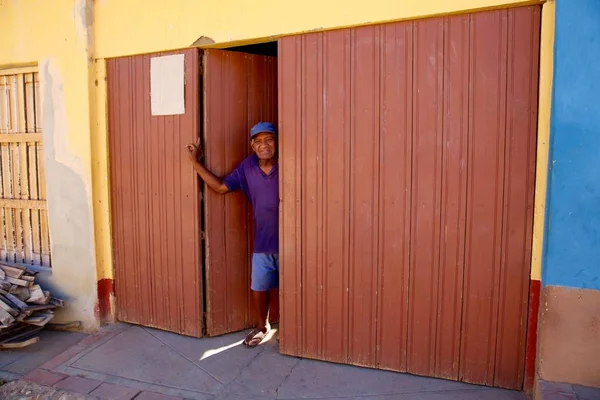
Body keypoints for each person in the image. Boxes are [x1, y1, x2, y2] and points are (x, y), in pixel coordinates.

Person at [185, 122, 279, 347]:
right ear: (252, 146)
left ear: (276, 142)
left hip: (294, 241)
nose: (263, 144)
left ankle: (295, 329)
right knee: (259, 285)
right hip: (264, 240)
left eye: (269, 139)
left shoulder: (289, 160)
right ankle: (262, 326)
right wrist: (194, 163)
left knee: (297, 285)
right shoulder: (247, 167)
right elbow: (220, 187)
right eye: (258, 141)